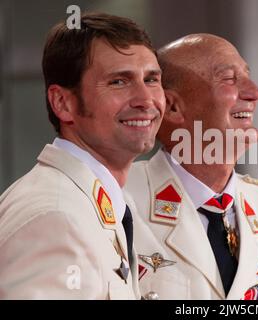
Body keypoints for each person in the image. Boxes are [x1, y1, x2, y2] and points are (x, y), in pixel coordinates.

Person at [125, 33, 258, 300]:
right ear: (173, 107)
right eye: (229, 78)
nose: (254, 92)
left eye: (247, 75)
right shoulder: (122, 205)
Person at [0, 13, 165, 299]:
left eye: (151, 79)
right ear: (62, 103)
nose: (145, 99)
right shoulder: (56, 218)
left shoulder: (97, 203)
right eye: (118, 82)